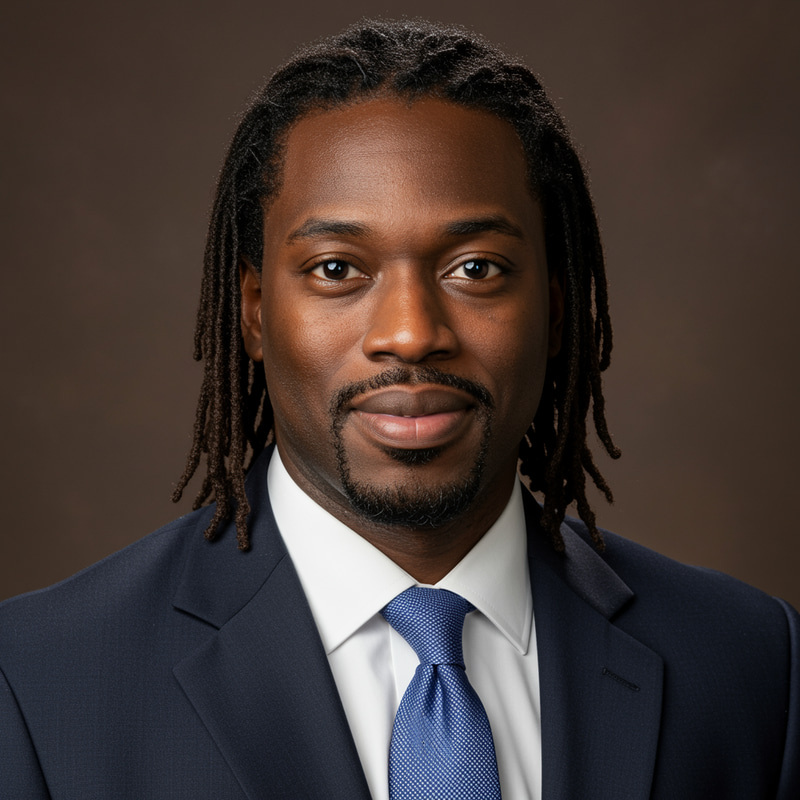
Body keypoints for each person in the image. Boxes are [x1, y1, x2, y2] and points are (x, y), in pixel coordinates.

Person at [0, 18, 797, 799]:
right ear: (251, 312)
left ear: (556, 308)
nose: (412, 334)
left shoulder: (752, 666)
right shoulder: (38, 683)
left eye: (476, 267)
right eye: (338, 268)